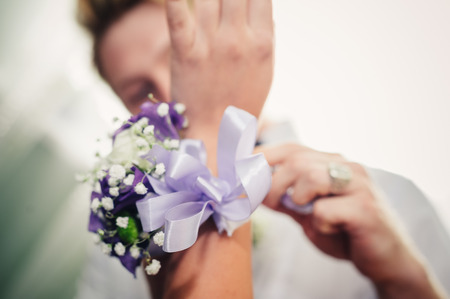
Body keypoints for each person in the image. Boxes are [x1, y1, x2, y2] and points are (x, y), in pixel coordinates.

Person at [76, 0, 449, 298]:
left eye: (180, 63)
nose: (173, 97)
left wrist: (407, 283)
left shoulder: (391, 203)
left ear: (229, 49)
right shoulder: (123, 252)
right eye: (142, 92)